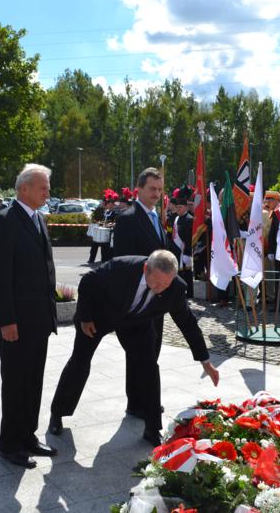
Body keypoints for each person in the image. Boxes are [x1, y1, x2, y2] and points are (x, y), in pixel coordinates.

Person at [48, 250, 219, 447]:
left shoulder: (175, 288)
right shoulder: (121, 267)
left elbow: (188, 323)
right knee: (80, 361)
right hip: (99, 316)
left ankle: (152, 428)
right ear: (146, 268)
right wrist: (86, 317)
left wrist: (205, 361)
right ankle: (58, 412)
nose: (159, 289)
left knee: (148, 367)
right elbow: (88, 282)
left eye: (165, 284)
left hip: (137, 323)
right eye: (155, 283)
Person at [0, 163, 57, 469]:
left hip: (39, 320)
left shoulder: (38, 219)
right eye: (43, 187)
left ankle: (28, 435)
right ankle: (10, 443)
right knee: (15, 383)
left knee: (34, 381)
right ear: (24, 188)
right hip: (16, 321)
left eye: (48, 188)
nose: (47, 192)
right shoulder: (5, 221)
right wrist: (6, 320)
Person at [110, 167, 167, 419]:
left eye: (159, 190)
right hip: (138, 299)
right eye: (152, 189)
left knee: (153, 348)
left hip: (158, 297)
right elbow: (123, 263)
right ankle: (137, 402)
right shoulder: (128, 218)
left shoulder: (156, 217)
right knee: (139, 351)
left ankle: (144, 397)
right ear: (139, 189)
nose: (156, 194)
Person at [169, 190, 194, 298]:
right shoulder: (176, 218)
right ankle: (180, 291)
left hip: (185, 250)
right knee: (178, 272)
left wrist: (187, 252)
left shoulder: (190, 219)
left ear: (185, 207)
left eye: (180, 207)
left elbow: (190, 237)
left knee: (187, 273)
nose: (178, 209)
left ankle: (189, 292)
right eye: (177, 207)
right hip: (176, 249)